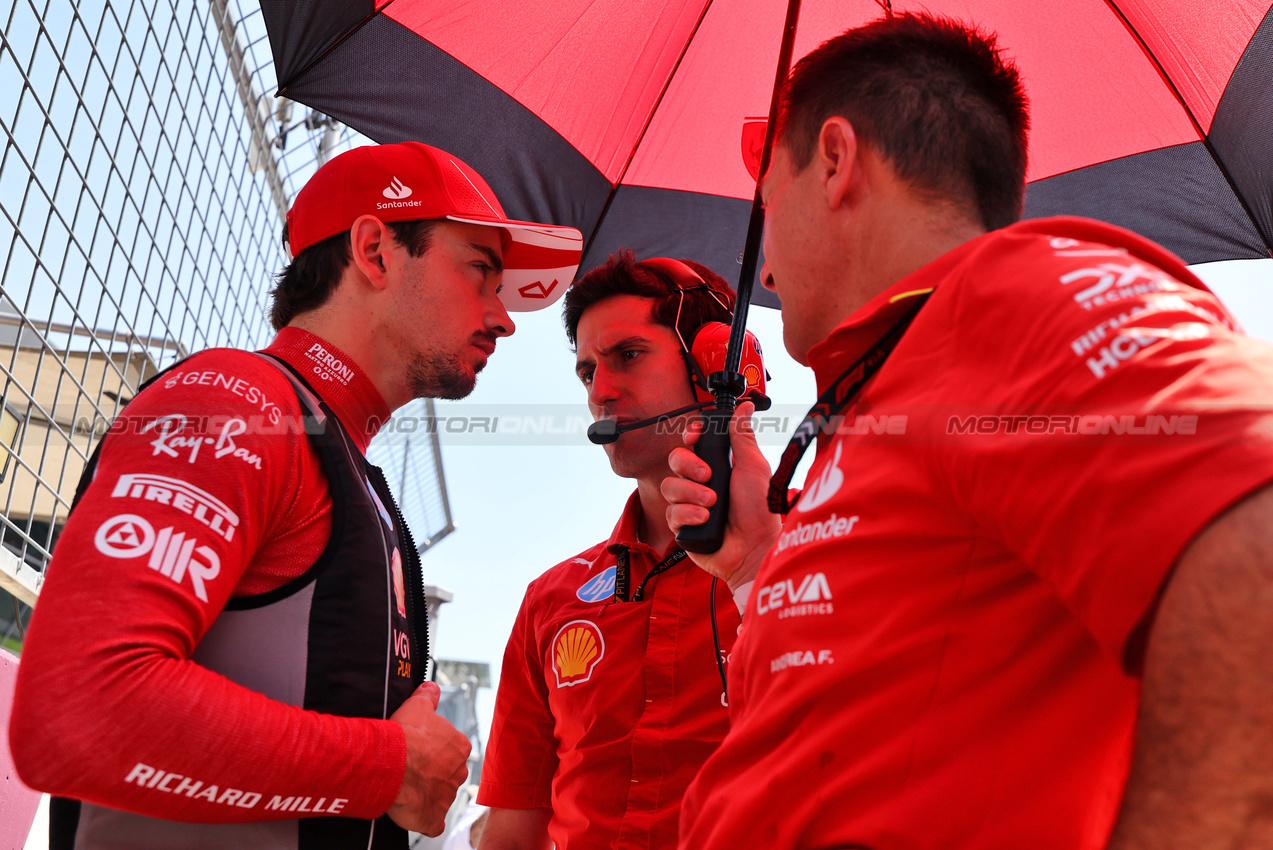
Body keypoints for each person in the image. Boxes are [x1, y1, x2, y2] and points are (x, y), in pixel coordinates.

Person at [661, 13, 1273, 850]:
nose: (763, 266)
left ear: (835, 163)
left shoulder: (1011, 296)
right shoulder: (901, 381)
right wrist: (750, 566)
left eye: (769, 203)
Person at [9, 141, 582, 849]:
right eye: (479, 273)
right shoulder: (234, 400)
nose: (502, 317)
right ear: (374, 251)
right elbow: (76, 716)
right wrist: (387, 768)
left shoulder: (338, 455)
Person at [475, 253, 767, 850]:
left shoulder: (819, 565)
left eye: (627, 356)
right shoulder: (548, 601)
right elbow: (513, 830)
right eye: (586, 373)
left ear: (718, 366)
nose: (601, 392)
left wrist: (763, 571)